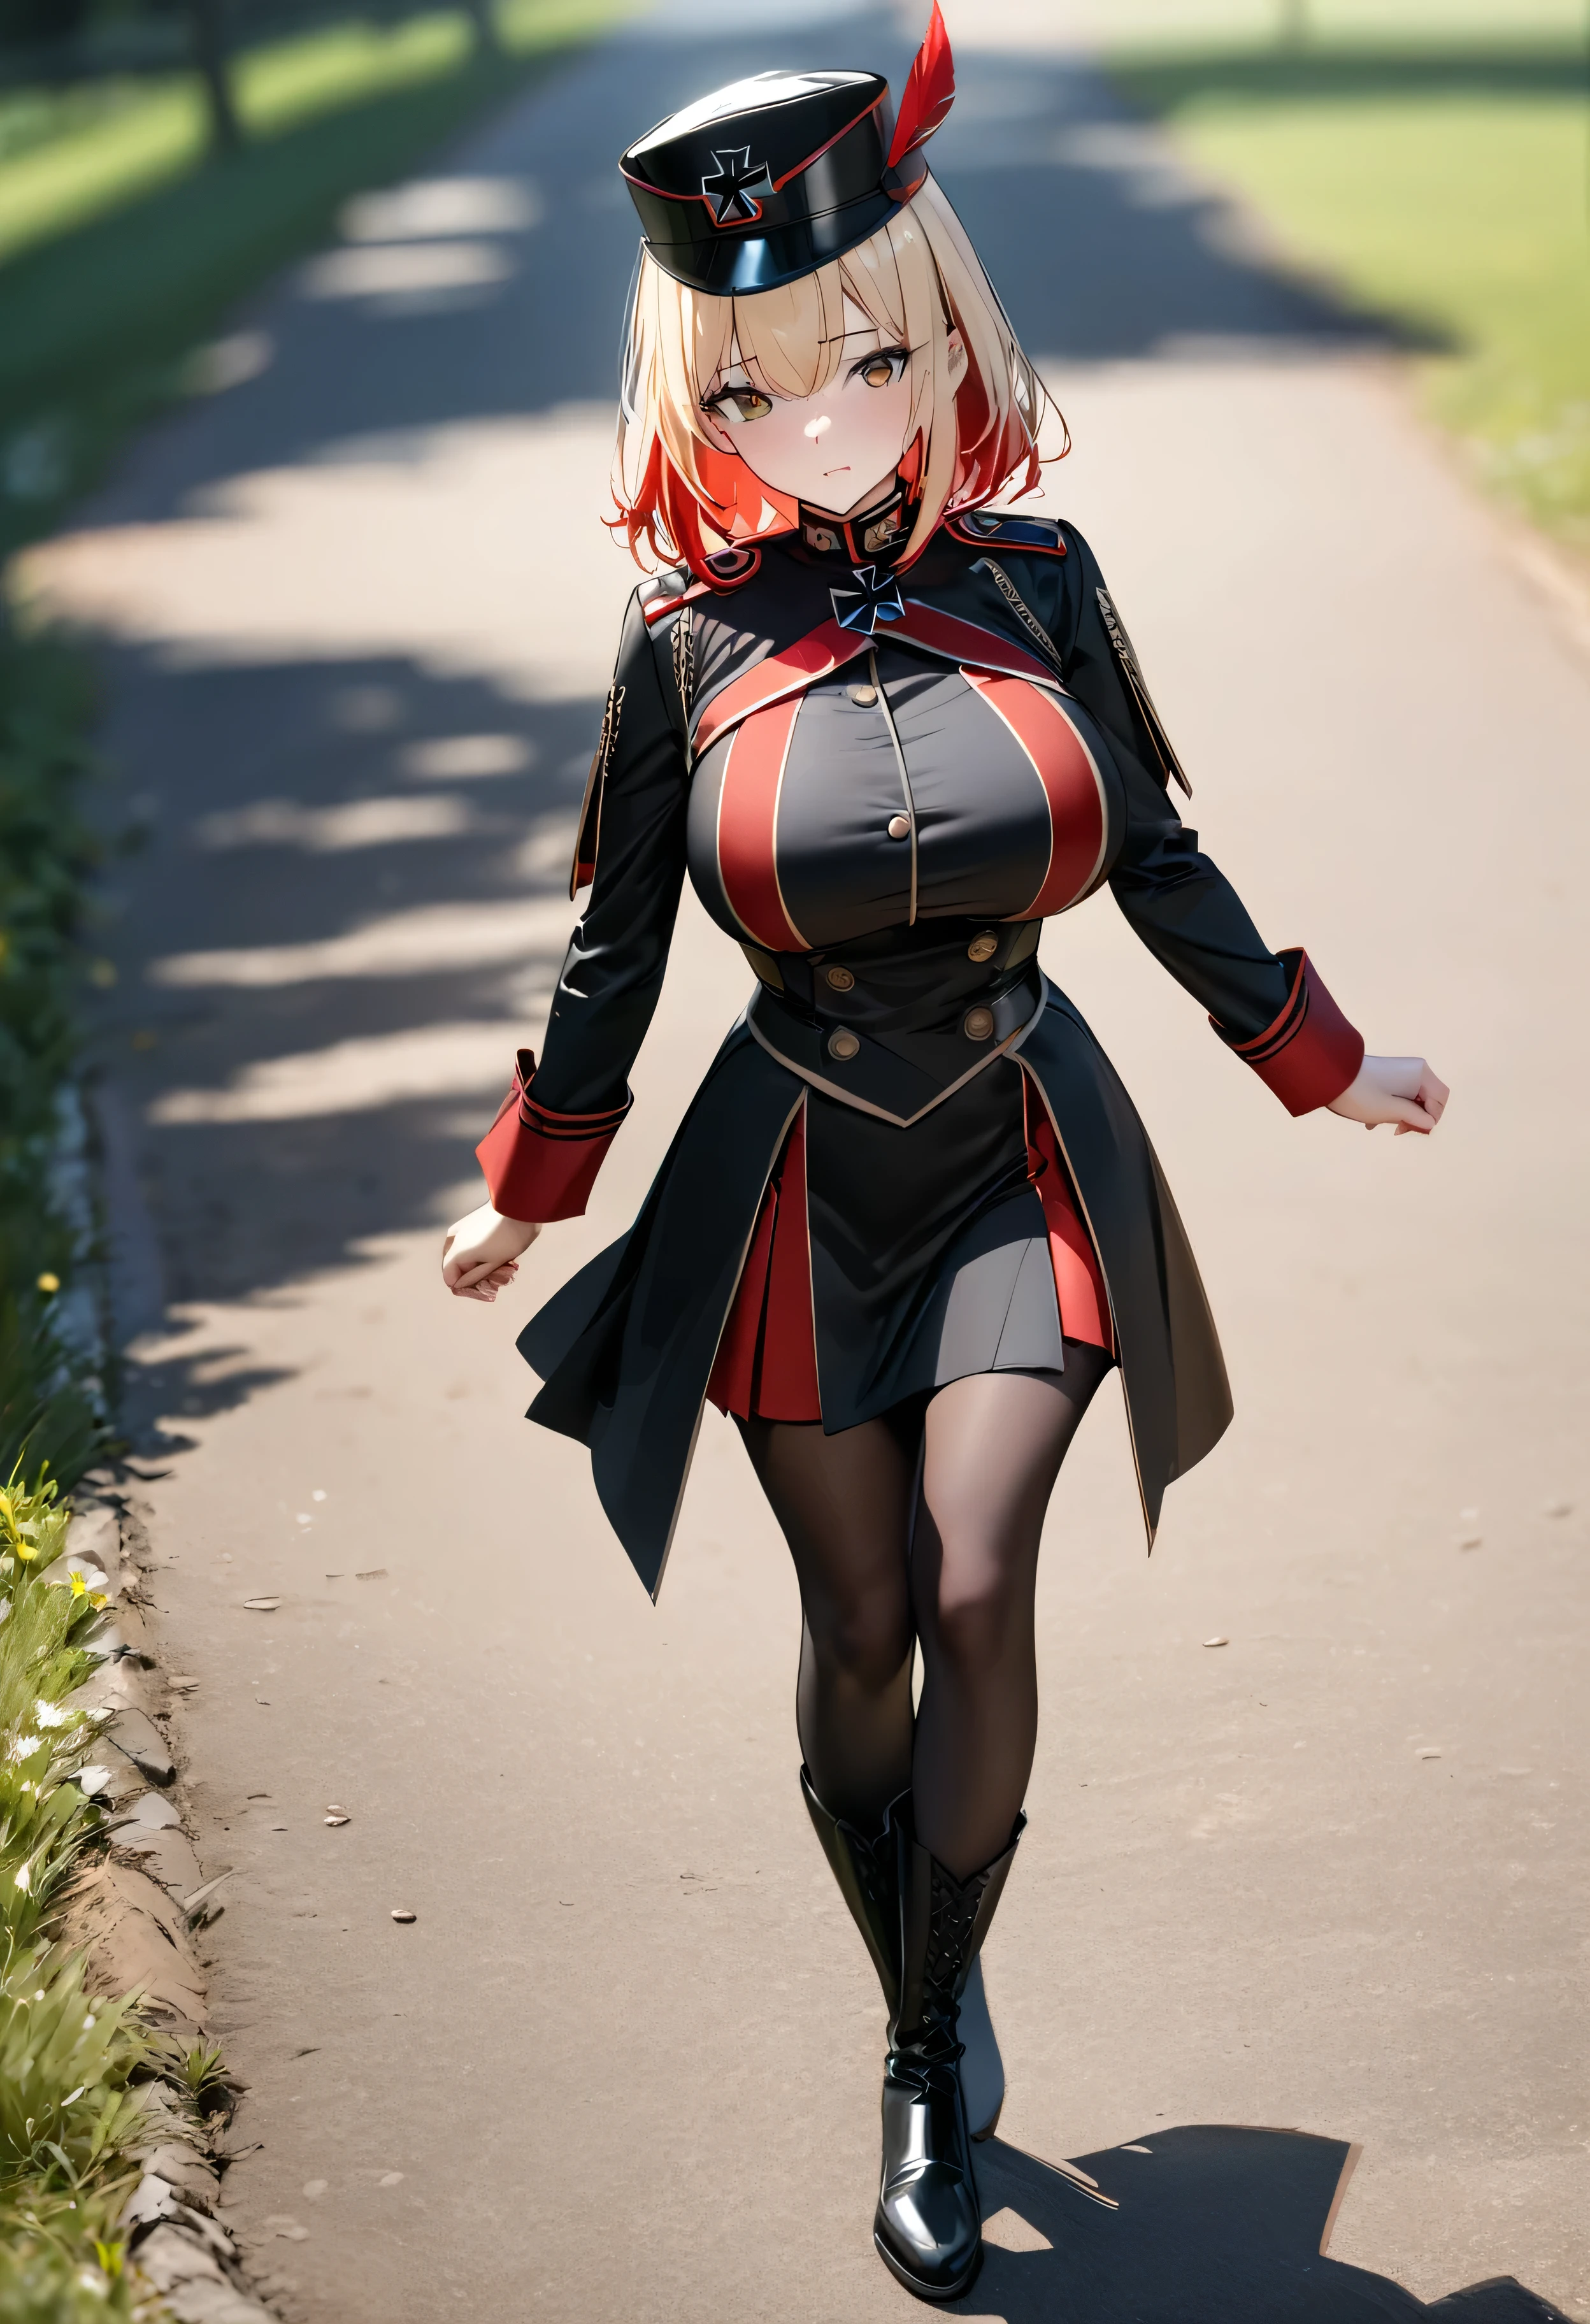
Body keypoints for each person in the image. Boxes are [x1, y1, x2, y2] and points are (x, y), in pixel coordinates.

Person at [441, 8, 1448, 2300]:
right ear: (697, 403)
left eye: (865, 363)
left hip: (1016, 1142)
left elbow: (1165, 856)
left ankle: (916, 2055)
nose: (819, 420)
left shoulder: (1046, 581)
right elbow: (608, 955)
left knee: (983, 1585)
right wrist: (526, 1189)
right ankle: (923, 1942)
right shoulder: (679, 641)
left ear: (943, 336)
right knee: (863, 1622)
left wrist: (1323, 1055)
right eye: (755, 388)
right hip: (793, 1179)